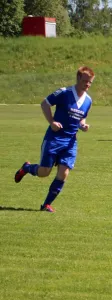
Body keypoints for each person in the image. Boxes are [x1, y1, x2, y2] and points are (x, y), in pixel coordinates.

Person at [14, 66, 94, 212]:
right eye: (85, 81)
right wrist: (51, 122)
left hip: (70, 142)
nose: (87, 85)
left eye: (90, 82)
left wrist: (83, 125)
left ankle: (46, 205)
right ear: (78, 79)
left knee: (64, 173)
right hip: (54, 139)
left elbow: (82, 117)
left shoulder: (88, 100)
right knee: (44, 172)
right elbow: (45, 103)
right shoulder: (64, 92)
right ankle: (26, 168)